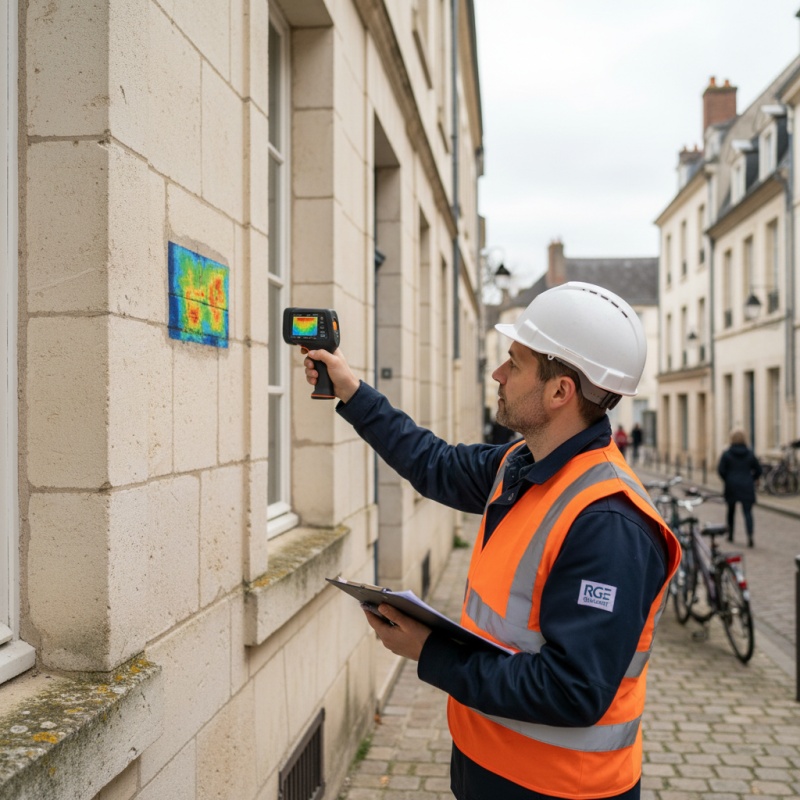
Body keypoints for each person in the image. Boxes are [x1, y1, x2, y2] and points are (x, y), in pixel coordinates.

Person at [301, 281, 680, 800]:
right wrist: (351, 389)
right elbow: (431, 461)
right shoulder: (519, 464)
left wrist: (429, 651)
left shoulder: (610, 523)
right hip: (491, 769)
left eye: (514, 362)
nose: (498, 373)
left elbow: (573, 692)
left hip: (560, 790)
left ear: (559, 392)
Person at [717, 429, 762, 547]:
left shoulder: (727, 454)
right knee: (747, 512)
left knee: (731, 511)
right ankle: (750, 536)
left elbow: (721, 470)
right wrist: (752, 478)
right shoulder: (750, 453)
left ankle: (731, 535)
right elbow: (758, 470)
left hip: (732, 485)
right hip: (746, 485)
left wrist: (727, 479)